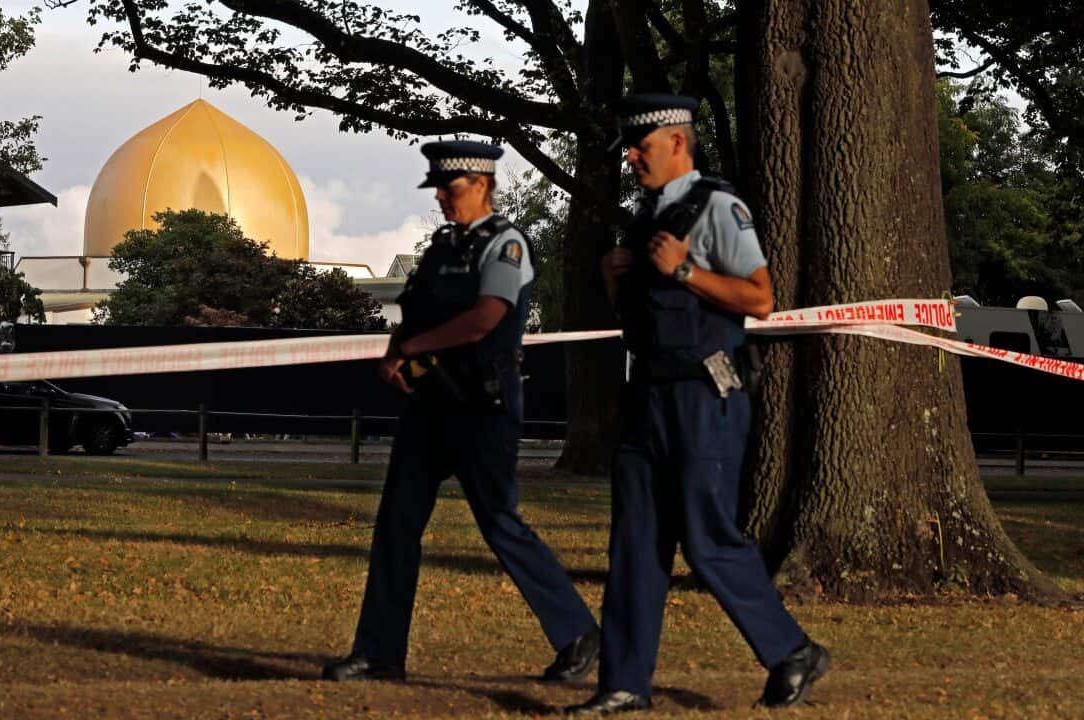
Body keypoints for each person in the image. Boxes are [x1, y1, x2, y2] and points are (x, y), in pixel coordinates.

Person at [566, 95, 830, 715]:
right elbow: (643, 320)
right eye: (628, 147)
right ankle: (625, 684)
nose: (630, 157)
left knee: (707, 540)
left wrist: (685, 271)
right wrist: (616, 280)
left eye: (641, 146)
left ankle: (792, 651)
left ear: (677, 144)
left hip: (704, 396)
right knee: (634, 543)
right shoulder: (643, 217)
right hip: (649, 395)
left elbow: (760, 299)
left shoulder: (717, 207)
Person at [323, 140, 600, 684]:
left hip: (483, 405)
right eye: (439, 190)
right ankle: (379, 653)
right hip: (431, 403)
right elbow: (415, 309)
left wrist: (411, 348)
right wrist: (394, 351)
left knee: (500, 523)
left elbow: (485, 319)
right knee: (396, 524)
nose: (444, 200)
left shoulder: (506, 244)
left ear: (481, 184)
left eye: (451, 189)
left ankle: (577, 632)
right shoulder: (442, 246)